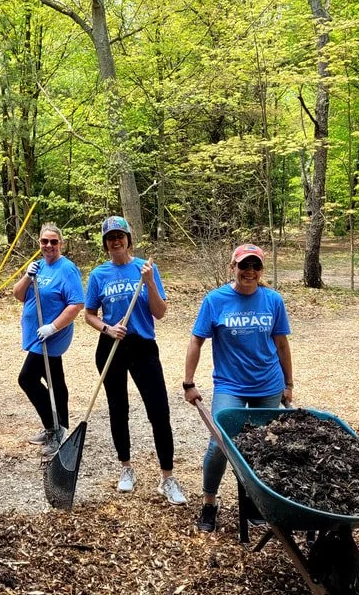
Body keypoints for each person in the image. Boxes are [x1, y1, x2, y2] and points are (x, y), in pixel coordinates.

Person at [183, 243, 294, 533]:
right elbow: (196, 341)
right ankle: (209, 502)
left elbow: (282, 343)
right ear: (233, 267)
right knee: (219, 444)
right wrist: (189, 383)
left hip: (268, 384)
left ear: (261, 270)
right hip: (230, 385)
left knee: (262, 445)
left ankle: (257, 502)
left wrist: (288, 383)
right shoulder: (215, 300)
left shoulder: (273, 300)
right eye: (244, 265)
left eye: (255, 266)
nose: (250, 271)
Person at [83, 215, 187, 505]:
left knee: (159, 411)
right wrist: (107, 327)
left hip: (143, 347)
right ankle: (126, 468)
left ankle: (167, 478)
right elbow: (89, 314)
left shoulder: (145, 269)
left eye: (120, 236)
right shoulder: (98, 275)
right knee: (119, 410)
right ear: (105, 243)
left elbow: (160, 312)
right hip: (111, 347)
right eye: (110, 237)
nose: (116, 241)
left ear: (129, 238)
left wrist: (150, 283)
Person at [12, 223, 85, 456]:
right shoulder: (39, 266)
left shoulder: (67, 269)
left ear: (60, 244)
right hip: (37, 334)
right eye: (45, 241)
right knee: (55, 381)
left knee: (27, 379)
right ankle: (57, 426)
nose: (49, 245)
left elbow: (76, 304)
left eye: (54, 241)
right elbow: (18, 295)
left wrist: (52, 327)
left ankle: (55, 428)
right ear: (39, 243)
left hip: (53, 336)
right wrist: (27, 276)